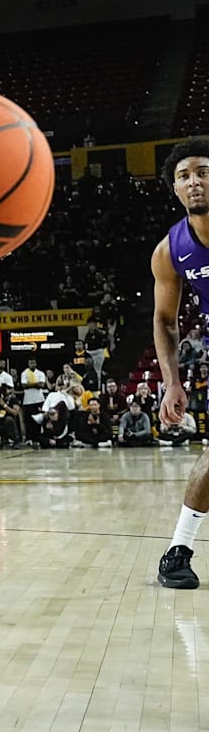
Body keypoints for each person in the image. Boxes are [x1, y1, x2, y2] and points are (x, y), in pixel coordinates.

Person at [151, 139, 209, 589]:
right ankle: (178, 553)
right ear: (175, 189)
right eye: (185, 176)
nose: (195, 182)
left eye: (203, 171)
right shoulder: (171, 250)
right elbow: (165, 320)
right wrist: (172, 382)